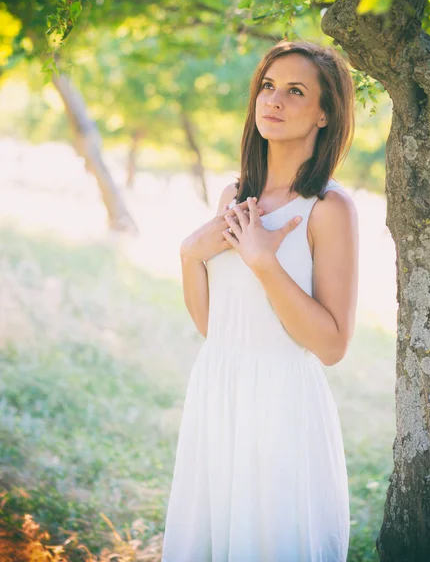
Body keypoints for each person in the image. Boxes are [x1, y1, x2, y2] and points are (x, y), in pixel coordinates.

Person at [161, 39, 359, 562]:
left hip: (281, 405)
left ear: (324, 113)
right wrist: (188, 256)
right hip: (217, 388)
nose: (274, 100)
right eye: (268, 87)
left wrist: (265, 263)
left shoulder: (328, 208)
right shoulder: (236, 195)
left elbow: (333, 344)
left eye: (296, 91)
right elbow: (217, 325)